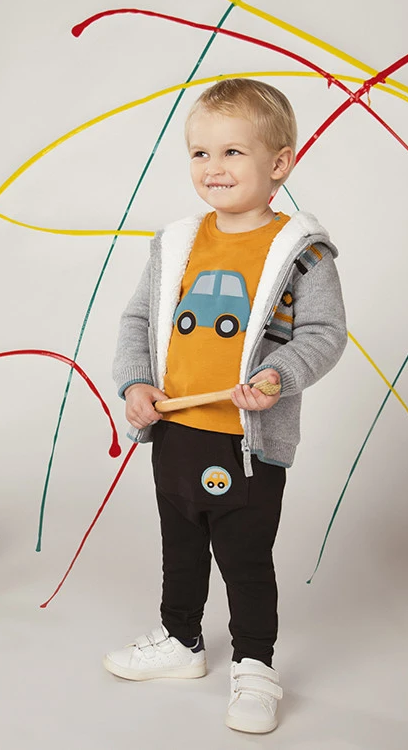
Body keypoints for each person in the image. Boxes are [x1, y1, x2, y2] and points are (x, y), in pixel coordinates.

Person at [106, 78, 347, 734]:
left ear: (279, 163)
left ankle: (255, 664)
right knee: (180, 543)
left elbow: (324, 335)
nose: (213, 167)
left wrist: (278, 375)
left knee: (243, 556)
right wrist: (136, 384)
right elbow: (137, 320)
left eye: (233, 152)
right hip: (176, 427)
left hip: (246, 440)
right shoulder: (176, 245)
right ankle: (180, 639)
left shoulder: (302, 255)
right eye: (200, 153)